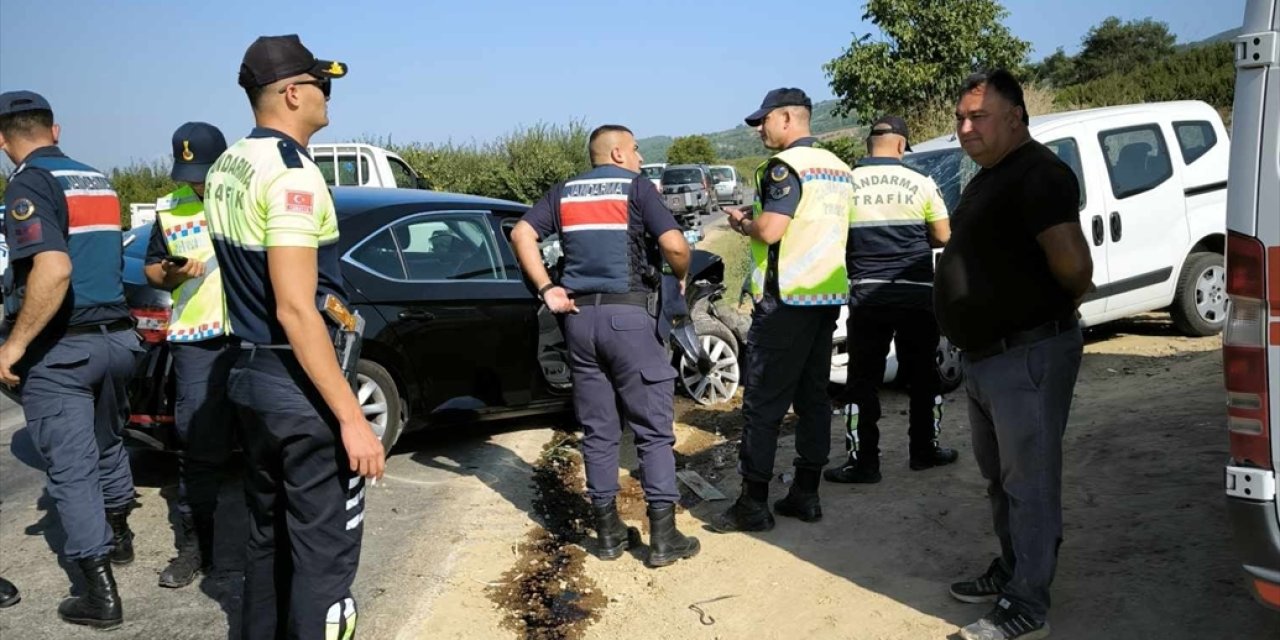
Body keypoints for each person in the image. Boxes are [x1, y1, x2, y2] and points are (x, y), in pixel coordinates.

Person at [202, 35, 385, 640]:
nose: (328, 96)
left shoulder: (229, 163)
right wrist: (352, 418)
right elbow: (295, 308)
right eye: (320, 84)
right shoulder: (291, 174)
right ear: (291, 92)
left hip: (250, 373)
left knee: (267, 536)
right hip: (297, 380)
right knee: (324, 554)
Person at [935, 70, 1093, 640]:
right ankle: (1013, 570)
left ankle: (1028, 604)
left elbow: (1074, 266)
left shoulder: (1040, 174)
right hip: (985, 358)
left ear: (1016, 117)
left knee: (1030, 482)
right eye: (960, 118)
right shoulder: (988, 177)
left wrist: (1040, 314)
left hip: (1027, 353)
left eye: (979, 117)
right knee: (1002, 480)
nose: (965, 127)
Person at [509, 124, 701, 569]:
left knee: (598, 430)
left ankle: (609, 535)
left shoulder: (563, 192)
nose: (637, 156)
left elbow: (522, 233)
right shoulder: (636, 187)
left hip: (578, 321)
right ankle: (664, 539)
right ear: (616, 153)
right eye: (634, 149)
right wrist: (680, 272)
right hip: (629, 319)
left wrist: (547, 289)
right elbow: (674, 244)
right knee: (653, 430)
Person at [0, 90, 141, 630]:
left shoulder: (28, 184)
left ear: (4, 140)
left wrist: (14, 345)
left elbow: (54, 270)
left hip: (65, 348)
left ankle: (97, 592)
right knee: (107, 442)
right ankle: (121, 532)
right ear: (54, 131)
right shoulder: (95, 178)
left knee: (72, 469)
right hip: (118, 342)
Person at [712, 88, 853, 532]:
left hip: (786, 302)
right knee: (814, 399)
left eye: (764, 121)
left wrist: (743, 224)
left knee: (763, 404)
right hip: (824, 298)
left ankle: (753, 503)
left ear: (788, 118)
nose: (758, 130)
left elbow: (771, 231)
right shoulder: (838, 168)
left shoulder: (783, 168)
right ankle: (805, 495)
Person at [825, 115, 957, 485]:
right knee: (923, 378)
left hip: (868, 297)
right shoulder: (922, 183)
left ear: (869, 144)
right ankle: (924, 452)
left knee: (861, 382)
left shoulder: (846, 184)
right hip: (917, 295)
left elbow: (836, 236)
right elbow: (944, 236)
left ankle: (863, 463)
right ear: (901, 146)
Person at [143, 122, 234, 589]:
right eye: (188, 172)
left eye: (202, 171)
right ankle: (196, 549)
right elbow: (154, 271)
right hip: (196, 342)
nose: (195, 181)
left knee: (267, 443)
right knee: (197, 449)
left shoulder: (244, 200)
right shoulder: (170, 210)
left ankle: (264, 546)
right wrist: (172, 273)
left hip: (249, 336)